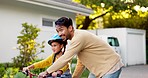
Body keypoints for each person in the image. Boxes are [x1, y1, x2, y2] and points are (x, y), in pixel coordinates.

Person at [38, 17, 124, 78]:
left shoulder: (78, 38)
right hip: (98, 69)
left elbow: (65, 58)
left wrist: (46, 72)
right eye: (58, 31)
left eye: (61, 30)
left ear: (70, 28)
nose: (59, 34)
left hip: (111, 66)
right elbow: (81, 62)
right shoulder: (75, 40)